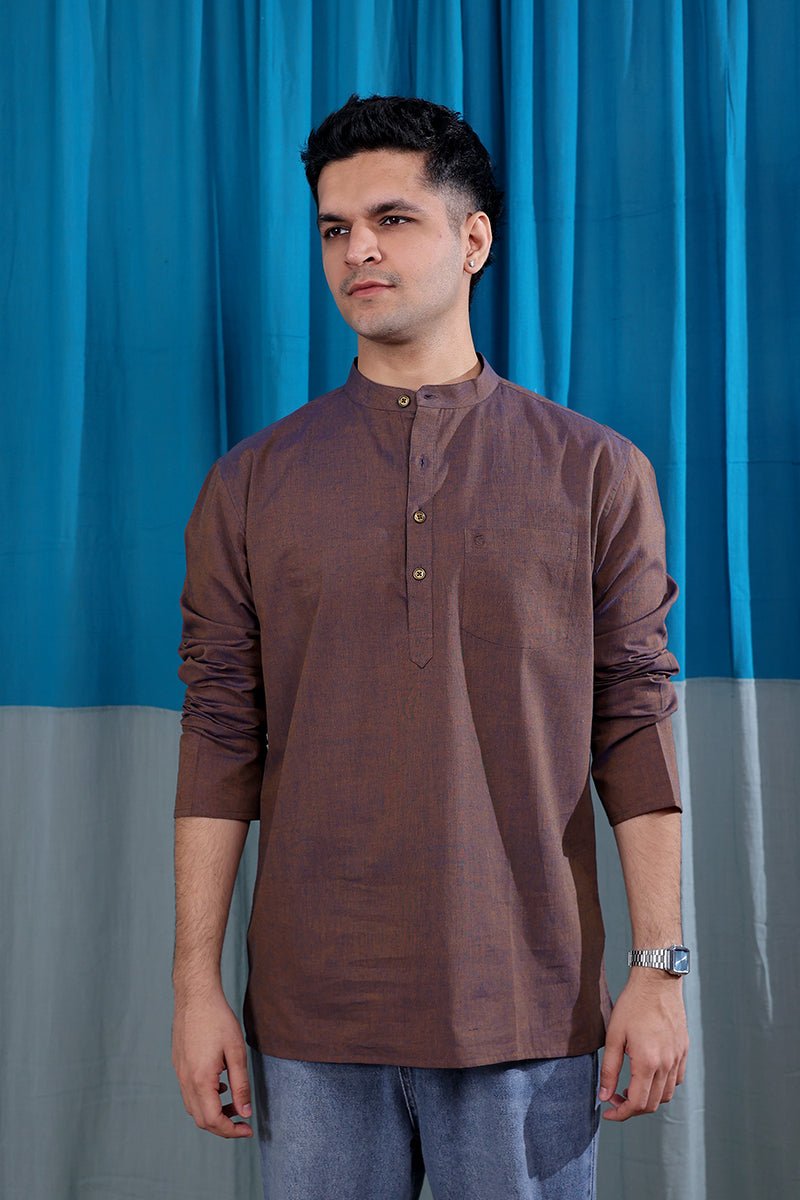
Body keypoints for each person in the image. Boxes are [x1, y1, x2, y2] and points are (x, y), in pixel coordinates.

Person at [171, 94, 689, 1200]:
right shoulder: (249, 485)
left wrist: (658, 969)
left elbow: (634, 726)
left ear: (473, 239)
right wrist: (193, 984)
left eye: (392, 219)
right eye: (334, 228)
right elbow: (219, 738)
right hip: (310, 1018)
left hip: (528, 1008)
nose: (356, 249)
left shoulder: (596, 473)